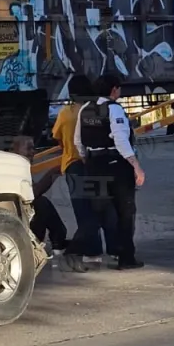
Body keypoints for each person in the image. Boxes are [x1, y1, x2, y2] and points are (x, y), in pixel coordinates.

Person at [73, 72, 145, 270]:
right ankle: (126, 257)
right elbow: (121, 141)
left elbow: (78, 141)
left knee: (96, 212)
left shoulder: (85, 109)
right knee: (125, 212)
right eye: (119, 88)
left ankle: (77, 252)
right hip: (117, 166)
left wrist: (88, 160)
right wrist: (136, 166)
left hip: (94, 165)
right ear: (114, 89)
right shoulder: (114, 109)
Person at [53, 75, 116, 272]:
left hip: (74, 165)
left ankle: (91, 251)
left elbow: (57, 137)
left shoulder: (66, 114)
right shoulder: (95, 111)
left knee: (83, 210)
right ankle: (114, 248)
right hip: (96, 164)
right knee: (103, 208)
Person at [11, 136, 68, 254]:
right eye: (28, 149)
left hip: (22, 220)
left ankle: (58, 241)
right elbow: (33, 194)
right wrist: (54, 172)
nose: (33, 152)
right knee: (42, 203)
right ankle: (58, 242)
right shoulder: (12, 169)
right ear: (15, 150)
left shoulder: (21, 168)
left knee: (42, 202)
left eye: (33, 149)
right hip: (16, 222)